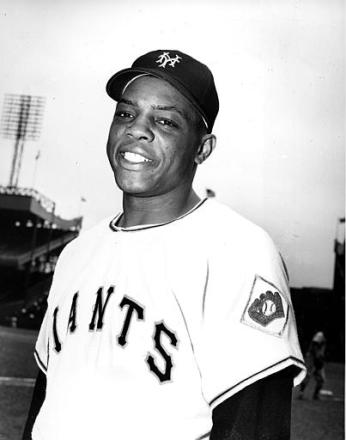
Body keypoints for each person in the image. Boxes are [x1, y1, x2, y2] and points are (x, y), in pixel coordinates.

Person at [23, 49, 306, 440]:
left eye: (165, 121)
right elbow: (44, 405)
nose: (136, 129)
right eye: (125, 113)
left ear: (202, 148)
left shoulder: (237, 250)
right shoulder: (76, 254)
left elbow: (255, 426)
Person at [299, 331, 327, 400]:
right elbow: (315, 344)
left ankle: (316, 395)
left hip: (318, 359)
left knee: (321, 379)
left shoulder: (323, 337)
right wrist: (317, 357)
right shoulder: (320, 334)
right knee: (307, 376)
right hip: (312, 358)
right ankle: (301, 394)